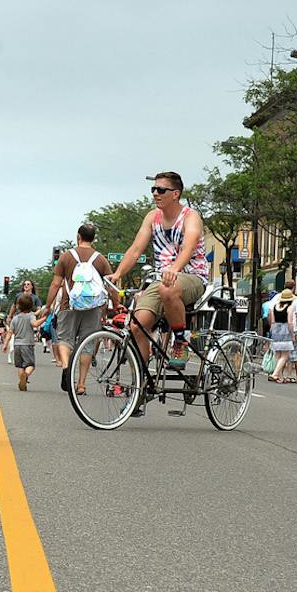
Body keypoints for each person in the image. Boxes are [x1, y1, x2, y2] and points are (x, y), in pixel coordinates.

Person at [108, 172, 209, 418]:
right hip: (162, 279)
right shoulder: (152, 217)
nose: (155, 193)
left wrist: (175, 268)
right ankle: (141, 388)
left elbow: (189, 246)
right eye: (153, 189)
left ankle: (180, 341)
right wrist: (117, 273)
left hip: (192, 277)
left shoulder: (190, 217)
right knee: (136, 326)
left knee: (167, 288)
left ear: (175, 194)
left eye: (161, 190)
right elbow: (135, 249)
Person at [48, 223, 114, 387]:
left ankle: (66, 367)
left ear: (78, 237)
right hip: (93, 307)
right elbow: (111, 285)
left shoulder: (66, 257)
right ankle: (81, 384)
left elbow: (55, 284)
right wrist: (116, 305)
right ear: (93, 238)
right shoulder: (101, 259)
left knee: (65, 339)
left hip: (69, 305)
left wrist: (48, 305)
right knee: (87, 344)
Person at [5, 293, 45, 390]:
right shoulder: (31, 316)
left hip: (17, 345)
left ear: (18, 306)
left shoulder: (15, 318)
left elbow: (10, 332)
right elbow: (35, 324)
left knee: (20, 366)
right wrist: (44, 319)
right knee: (30, 365)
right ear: (31, 305)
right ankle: (25, 376)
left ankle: (22, 381)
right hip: (27, 344)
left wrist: (5, 344)